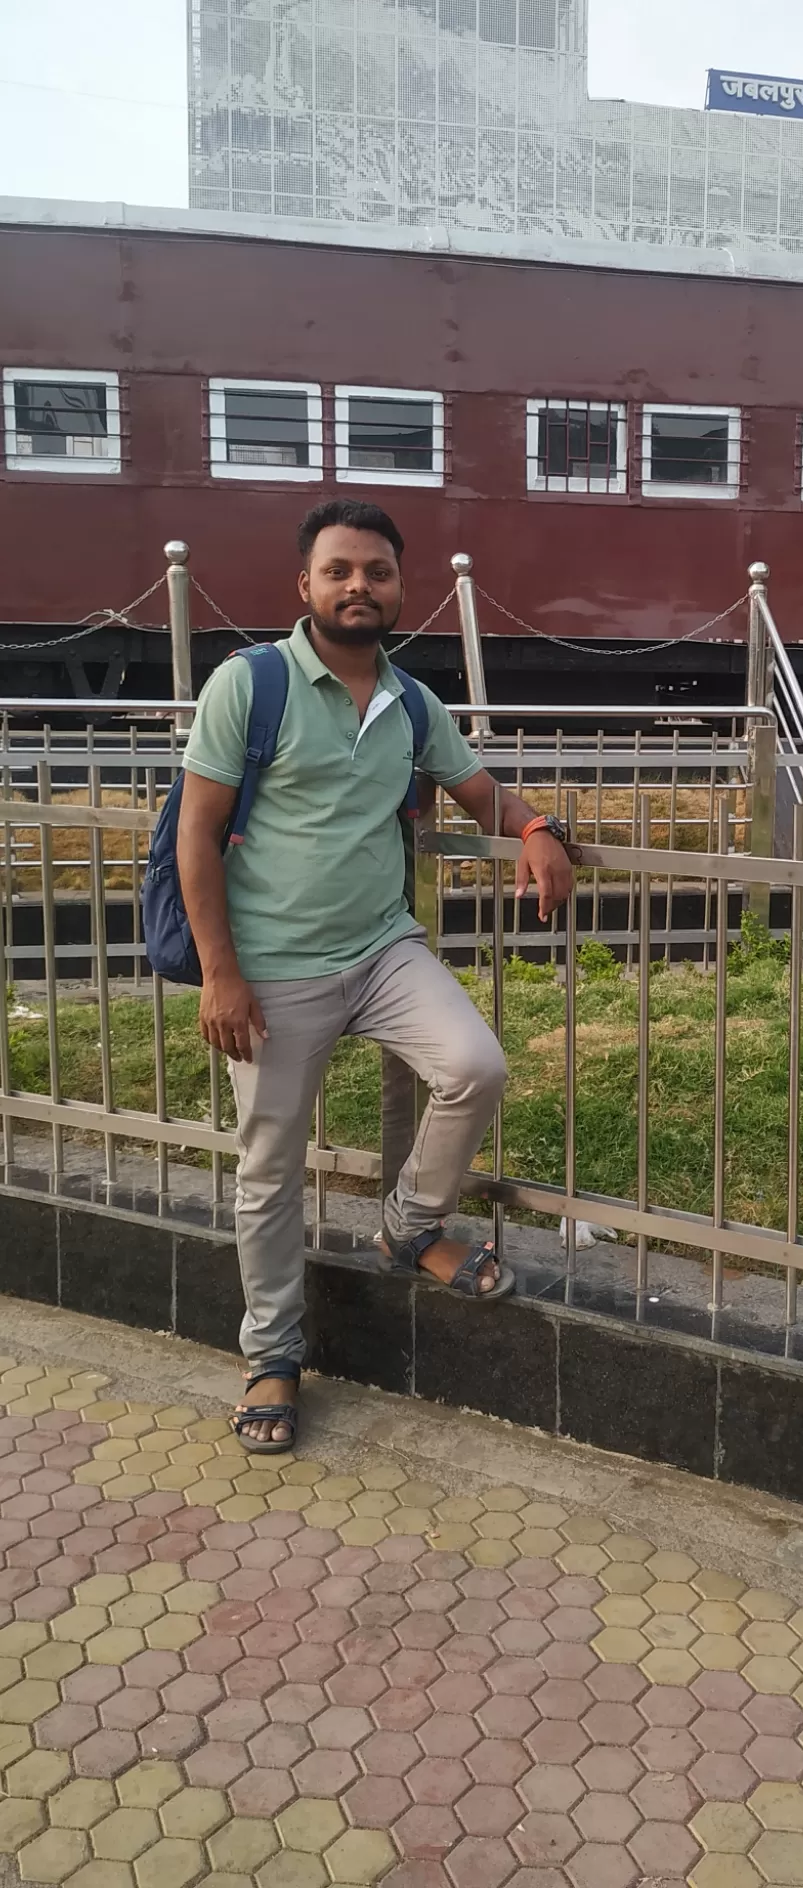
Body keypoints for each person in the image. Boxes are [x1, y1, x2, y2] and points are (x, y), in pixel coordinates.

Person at [177, 499, 573, 1450]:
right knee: (270, 1169)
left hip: (383, 949)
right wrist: (220, 974)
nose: (361, 586)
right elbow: (195, 833)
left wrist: (534, 828)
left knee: (476, 1065)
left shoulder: (413, 700)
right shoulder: (251, 684)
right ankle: (271, 1355)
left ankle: (409, 1224)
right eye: (341, 570)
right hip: (271, 970)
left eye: (379, 573)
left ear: (402, 587)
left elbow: (479, 789)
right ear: (305, 586)